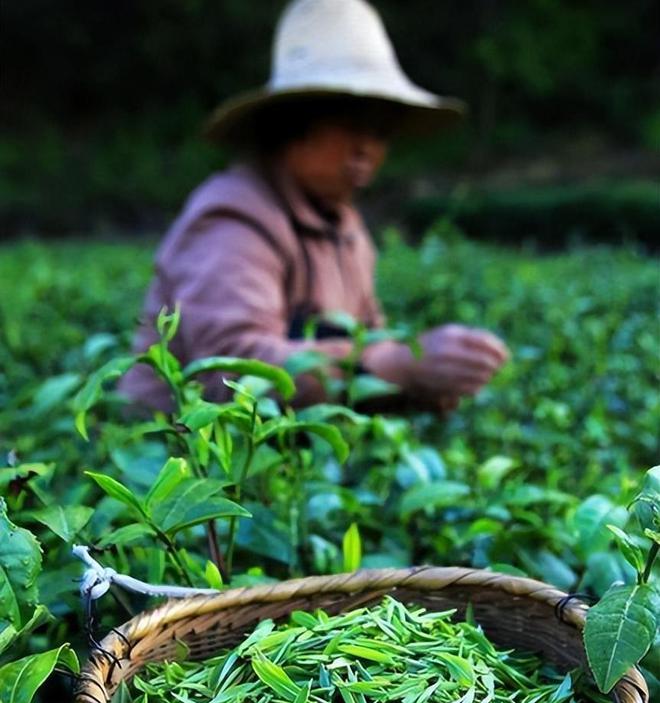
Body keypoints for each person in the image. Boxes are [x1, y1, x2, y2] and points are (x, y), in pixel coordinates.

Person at [121, 0, 508, 412]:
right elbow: (231, 372)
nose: (367, 149)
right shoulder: (234, 217)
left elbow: (367, 343)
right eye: (350, 124)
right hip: (177, 460)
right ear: (293, 124)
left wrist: (428, 379)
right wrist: (397, 365)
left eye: (381, 131)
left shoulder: (347, 229)